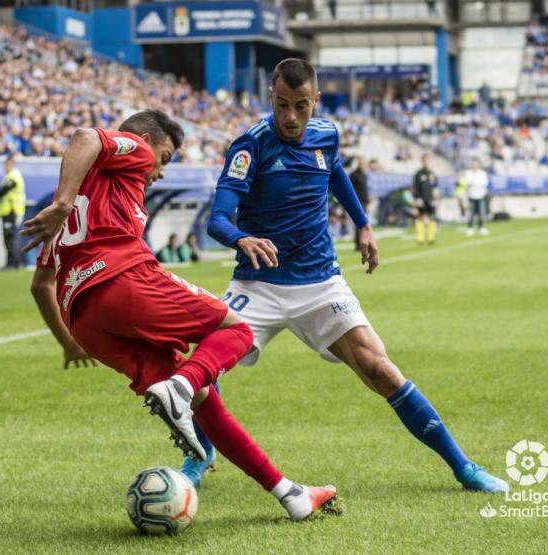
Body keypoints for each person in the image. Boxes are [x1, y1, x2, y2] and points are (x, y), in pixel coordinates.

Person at [207, 58, 508, 494]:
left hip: (320, 282)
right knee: (202, 369)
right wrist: (240, 239)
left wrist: (363, 223)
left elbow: (334, 173)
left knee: (379, 368)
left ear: (316, 101)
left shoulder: (326, 134)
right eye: (281, 104)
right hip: (257, 284)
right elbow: (217, 218)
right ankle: (199, 455)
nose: (289, 117)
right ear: (270, 97)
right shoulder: (249, 146)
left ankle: (464, 467)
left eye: (300, 106)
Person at [20, 108, 337, 520]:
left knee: (206, 400)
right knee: (238, 330)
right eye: (165, 158)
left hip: (84, 319)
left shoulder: (82, 194)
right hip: (123, 280)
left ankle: (288, 493)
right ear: (147, 142)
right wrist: (62, 204)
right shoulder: (133, 150)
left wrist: (69, 344)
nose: (161, 171)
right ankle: (180, 387)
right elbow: (85, 136)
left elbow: (40, 286)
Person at [0, 154, 26, 269]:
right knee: (10, 237)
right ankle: (12, 262)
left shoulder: (14, 175)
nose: (5, 166)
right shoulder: (10, 175)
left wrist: (0, 190)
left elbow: (2, 191)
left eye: (6, 164)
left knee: (10, 237)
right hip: (9, 210)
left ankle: (14, 263)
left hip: (11, 210)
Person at [412, 153, 438, 245]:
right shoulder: (418, 174)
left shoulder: (432, 174)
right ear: (422, 161)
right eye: (425, 160)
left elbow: (435, 187)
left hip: (430, 199)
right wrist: (417, 198)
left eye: (428, 160)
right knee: (420, 217)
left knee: (431, 217)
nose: (426, 162)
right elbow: (415, 187)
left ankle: (431, 237)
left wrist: (436, 196)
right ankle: (420, 238)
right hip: (421, 199)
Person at [348, 156, 370, 251]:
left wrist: (368, 202)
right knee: (360, 224)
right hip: (358, 202)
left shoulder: (364, 175)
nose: (364, 165)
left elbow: (365, 190)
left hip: (364, 202)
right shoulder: (353, 175)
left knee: (364, 224)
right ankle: (358, 244)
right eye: (362, 163)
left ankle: (363, 242)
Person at [465, 158, 490, 236]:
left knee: (481, 213)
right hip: (471, 195)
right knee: (471, 213)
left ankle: (481, 227)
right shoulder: (468, 173)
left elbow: (484, 183)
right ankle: (470, 228)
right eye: (473, 163)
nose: (475, 165)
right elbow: (467, 182)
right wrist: (474, 183)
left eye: (476, 163)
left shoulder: (482, 173)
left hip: (481, 195)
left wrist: (474, 183)